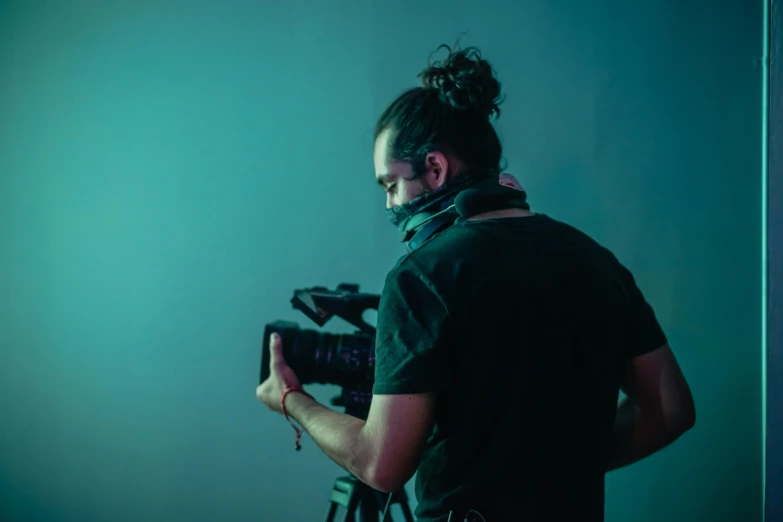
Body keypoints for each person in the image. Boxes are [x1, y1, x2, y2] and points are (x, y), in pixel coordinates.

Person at [256, 44, 696, 522]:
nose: (389, 206)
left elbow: (380, 464)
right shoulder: (596, 261)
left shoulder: (422, 276)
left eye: (390, 185)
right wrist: (564, 468)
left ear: (436, 167)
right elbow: (670, 409)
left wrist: (291, 400)